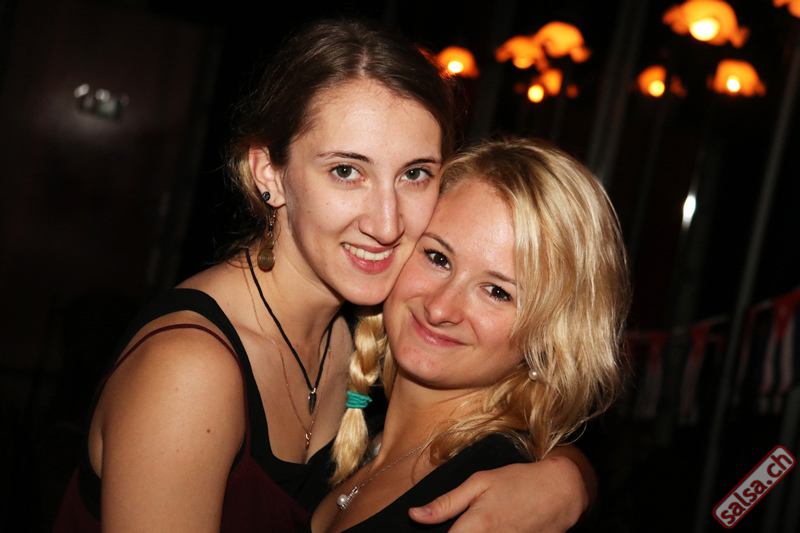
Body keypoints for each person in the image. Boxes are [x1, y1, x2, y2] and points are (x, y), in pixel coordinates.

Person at [54, 19, 592, 533]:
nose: (386, 223)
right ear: (269, 172)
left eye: (414, 174)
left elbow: (491, 408)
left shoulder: (376, 332)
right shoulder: (190, 372)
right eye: (346, 171)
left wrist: (567, 477)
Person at [310, 138, 631, 532]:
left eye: (497, 292)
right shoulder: (350, 423)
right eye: (438, 258)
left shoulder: (496, 505)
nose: (440, 308)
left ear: (549, 336)